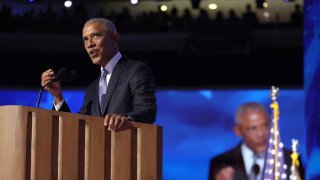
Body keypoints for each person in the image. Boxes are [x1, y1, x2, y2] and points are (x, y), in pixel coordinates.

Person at [41, 18, 157, 131]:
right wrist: (57, 96)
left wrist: (126, 119)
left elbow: (147, 110)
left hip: (125, 147)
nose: (89, 44)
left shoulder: (136, 70)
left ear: (115, 37)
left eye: (95, 35)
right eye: (85, 39)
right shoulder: (92, 88)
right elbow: (75, 127)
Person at [208, 102, 304, 180]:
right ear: (238, 131)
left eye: (265, 125)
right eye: (252, 128)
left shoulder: (290, 159)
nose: (261, 134)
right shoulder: (221, 163)